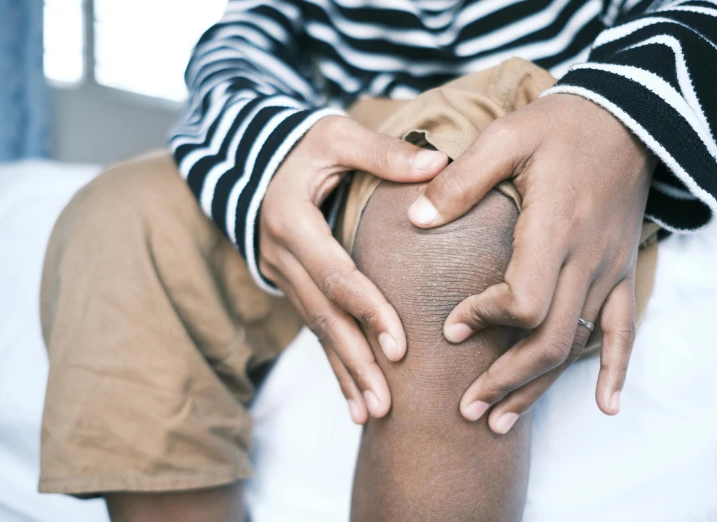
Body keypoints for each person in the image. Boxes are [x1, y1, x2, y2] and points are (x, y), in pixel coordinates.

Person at [38, 1, 716, 521]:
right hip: (342, 138)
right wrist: (275, 151)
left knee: (444, 235)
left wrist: (619, 121)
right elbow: (238, 52)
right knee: (118, 217)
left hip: (557, 115)